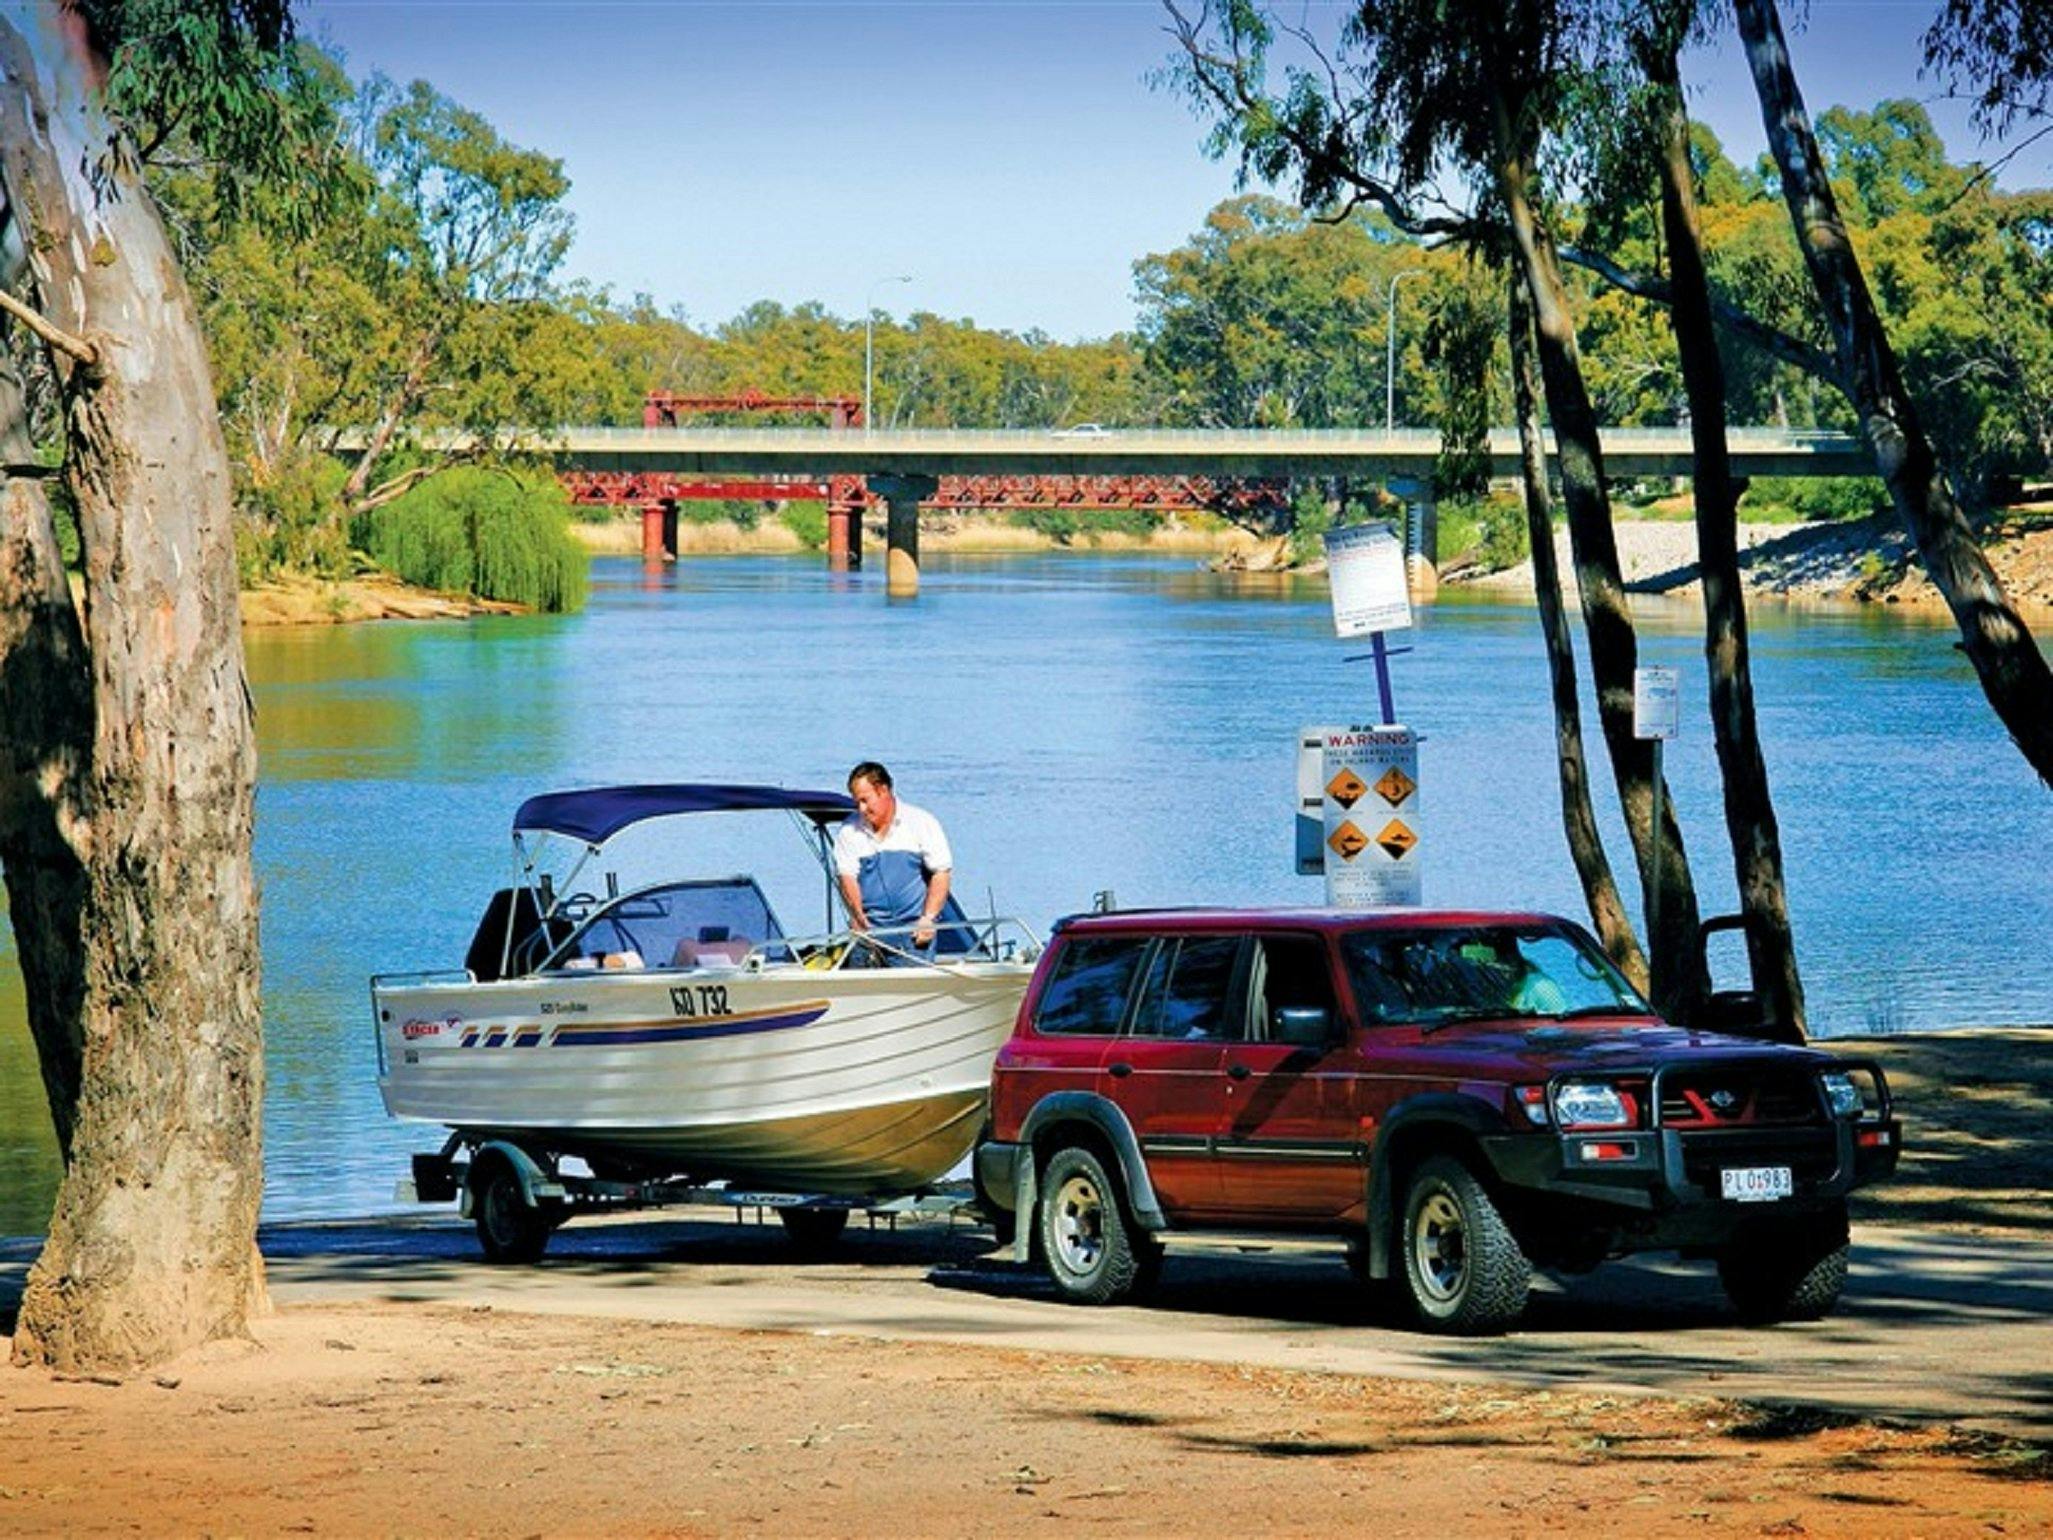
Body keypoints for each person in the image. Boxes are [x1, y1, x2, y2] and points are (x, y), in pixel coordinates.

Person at [832, 761, 953, 957]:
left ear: (883, 790)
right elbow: (847, 877)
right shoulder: (849, 830)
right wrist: (857, 916)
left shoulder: (921, 822)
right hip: (867, 935)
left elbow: (941, 872)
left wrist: (928, 918)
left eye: (865, 800)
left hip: (913, 936)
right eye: (857, 803)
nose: (861, 809)